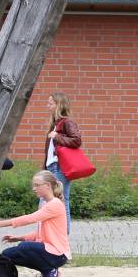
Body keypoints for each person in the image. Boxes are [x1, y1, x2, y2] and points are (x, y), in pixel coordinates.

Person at [0, 169, 70, 277]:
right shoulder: (45, 204)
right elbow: (39, 233)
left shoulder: (55, 204)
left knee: (25, 247)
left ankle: (50, 270)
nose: (34, 189)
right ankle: (46, 270)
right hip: (48, 250)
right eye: (34, 185)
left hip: (58, 254)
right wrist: (17, 238)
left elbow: (29, 219)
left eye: (37, 185)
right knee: (7, 254)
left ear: (48, 186)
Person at [43, 92, 82, 229]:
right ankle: (50, 234)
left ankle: (63, 236)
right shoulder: (54, 124)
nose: (47, 105)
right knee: (46, 200)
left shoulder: (67, 122)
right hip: (51, 167)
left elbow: (77, 140)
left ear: (58, 105)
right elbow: (49, 153)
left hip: (59, 168)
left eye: (50, 103)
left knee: (61, 200)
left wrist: (57, 137)